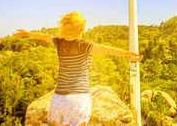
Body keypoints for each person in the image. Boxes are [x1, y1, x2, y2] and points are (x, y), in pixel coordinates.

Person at [13, 11, 143, 126]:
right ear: (81, 29)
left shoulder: (58, 42)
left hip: (59, 98)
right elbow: (107, 50)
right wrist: (128, 54)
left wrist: (27, 33)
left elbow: (43, 36)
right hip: (78, 98)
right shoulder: (84, 45)